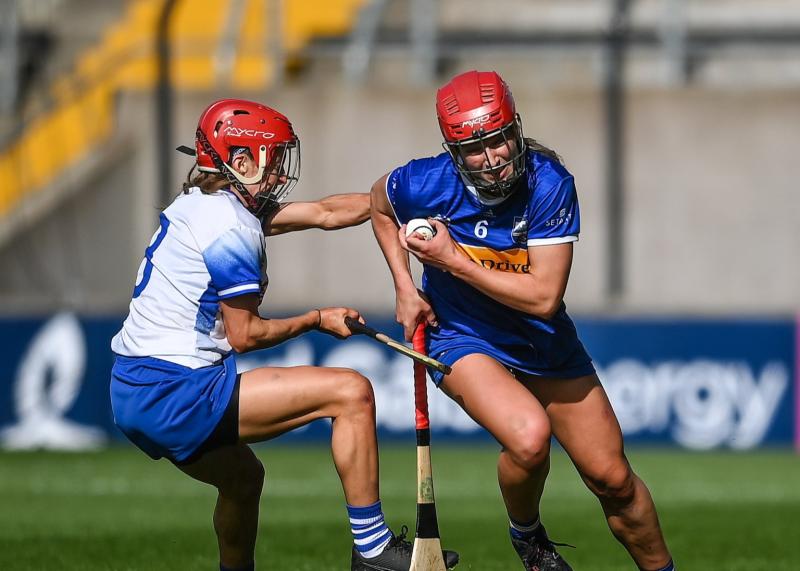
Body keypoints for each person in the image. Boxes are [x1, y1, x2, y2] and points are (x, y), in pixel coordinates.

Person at [110, 99, 458, 571]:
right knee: (350, 393)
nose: (279, 173)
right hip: (175, 391)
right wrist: (318, 319)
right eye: (272, 159)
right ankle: (373, 550)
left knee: (243, 479)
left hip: (132, 390)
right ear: (239, 161)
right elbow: (245, 335)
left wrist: (404, 200)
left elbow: (327, 212)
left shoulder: (205, 204)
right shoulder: (229, 225)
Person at [370, 71, 675, 571]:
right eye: (475, 148)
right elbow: (378, 206)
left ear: (516, 127)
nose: (493, 159)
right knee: (530, 439)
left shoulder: (549, 184)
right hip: (461, 335)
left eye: (500, 140)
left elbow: (542, 299)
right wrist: (404, 287)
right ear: (453, 151)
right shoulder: (425, 180)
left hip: (539, 338)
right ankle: (529, 537)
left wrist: (452, 260)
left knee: (613, 479)